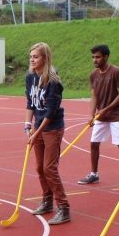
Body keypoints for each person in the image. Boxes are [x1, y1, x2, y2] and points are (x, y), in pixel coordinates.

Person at [79, 44, 119, 186]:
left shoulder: (116, 72)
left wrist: (106, 109)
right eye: (93, 57)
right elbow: (94, 95)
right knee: (94, 143)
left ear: (106, 57)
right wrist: (92, 114)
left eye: (97, 57)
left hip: (117, 115)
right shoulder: (93, 75)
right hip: (101, 116)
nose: (94, 60)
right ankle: (93, 174)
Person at [25, 42, 71, 225]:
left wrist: (37, 133)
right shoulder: (30, 77)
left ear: (45, 58)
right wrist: (28, 127)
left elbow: (51, 112)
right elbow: (30, 102)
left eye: (36, 57)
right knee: (39, 168)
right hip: (38, 127)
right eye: (31, 57)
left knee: (49, 168)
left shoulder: (53, 81)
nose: (32, 60)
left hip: (52, 128)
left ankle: (64, 207)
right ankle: (47, 201)